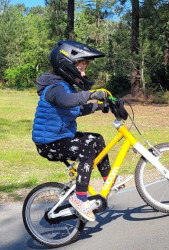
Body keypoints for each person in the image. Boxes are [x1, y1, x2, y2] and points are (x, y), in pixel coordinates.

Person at [32, 40, 132, 222]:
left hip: (61, 136)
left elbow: (76, 109)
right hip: (49, 143)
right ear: (67, 66)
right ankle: (80, 199)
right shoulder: (54, 88)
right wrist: (91, 94)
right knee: (86, 149)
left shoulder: (66, 87)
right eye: (82, 67)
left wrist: (99, 106)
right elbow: (67, 101)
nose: (84, 73)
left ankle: (110, 180)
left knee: (97, 139)